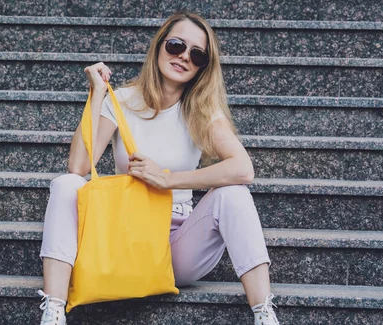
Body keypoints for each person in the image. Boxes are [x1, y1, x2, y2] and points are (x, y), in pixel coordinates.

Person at [37, 11, 280, 325]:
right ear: (159, 45)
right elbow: (79, 165)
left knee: (233, 194)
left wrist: (168, 180)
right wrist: (96, 94)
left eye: (197, 54)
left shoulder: (201, 111)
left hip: (176, 248)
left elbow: (243, 169)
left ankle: (264, 314)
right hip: (122, 238)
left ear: (204, 66)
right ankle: (54, 309)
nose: (183, 57)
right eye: (176, 45)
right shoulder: (122, 100)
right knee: (66, 184)